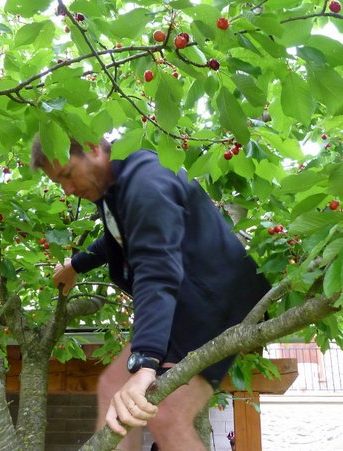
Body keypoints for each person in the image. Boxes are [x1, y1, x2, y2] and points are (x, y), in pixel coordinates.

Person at [30, 135, 270, 450]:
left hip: (217, 303)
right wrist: (75, 264)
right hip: (192, 303)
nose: (68, 190)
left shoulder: (145, 180)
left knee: (166, 412)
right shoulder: (115, 189)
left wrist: (146, 362)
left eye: (66, 175)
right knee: (112, 390)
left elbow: (156, 269)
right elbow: (115, 239)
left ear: (92, 148)